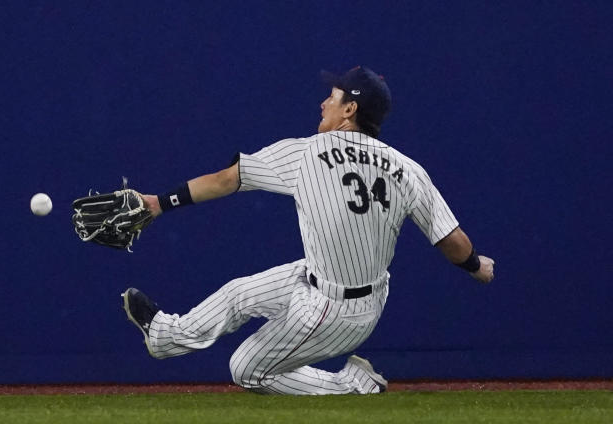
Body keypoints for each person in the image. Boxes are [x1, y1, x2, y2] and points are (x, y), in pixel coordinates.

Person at [122, 66, 495, 395]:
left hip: (337, 312)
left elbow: (225, 180)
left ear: (350, 110)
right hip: (334, 284)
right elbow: (453, 242)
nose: (323, 104)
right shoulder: (408, 170)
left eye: (332, 97)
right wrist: (476, 267)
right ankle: (165, 336)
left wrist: (159, 202)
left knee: (246, 369)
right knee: (238, 294)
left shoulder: (307, 154)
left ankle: (352, 384)